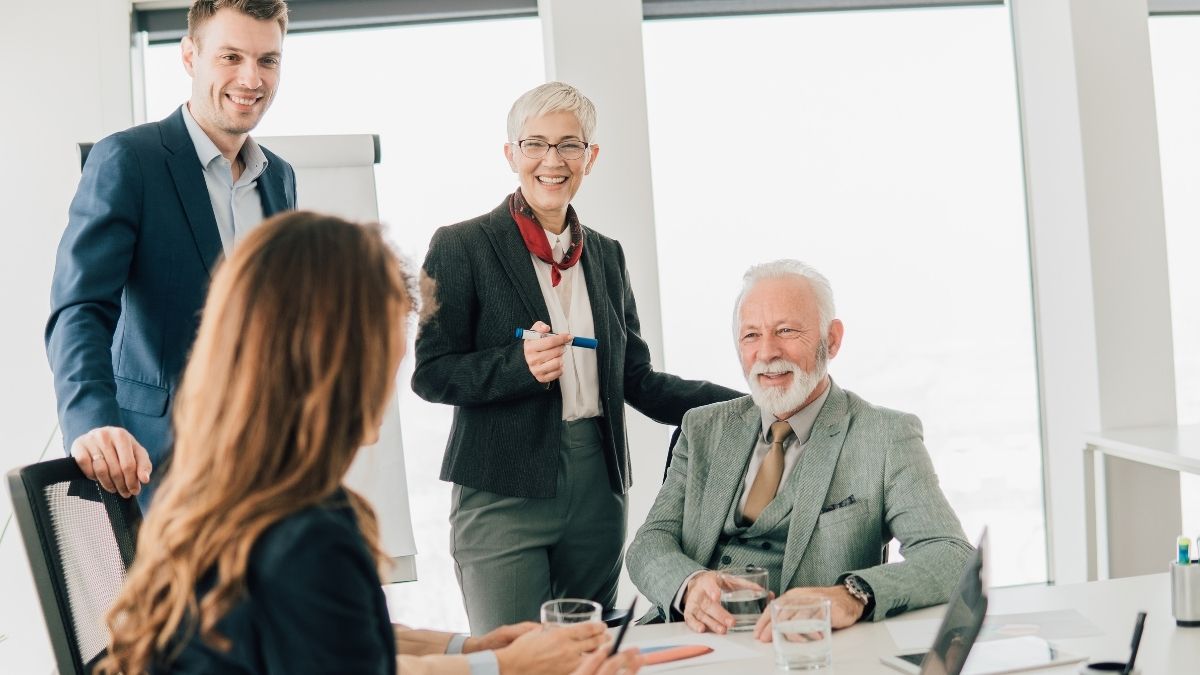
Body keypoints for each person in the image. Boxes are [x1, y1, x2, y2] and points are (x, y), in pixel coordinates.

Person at [95, 211, 643, 675]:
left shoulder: (221, 493)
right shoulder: (309, 536)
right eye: (388, 341)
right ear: (332, 359)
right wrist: (507, 668)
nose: (398, 365)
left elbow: (350, 635)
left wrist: (471, 649)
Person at [413, 81, 742, 633]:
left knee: (589, 656)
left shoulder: (607, 257)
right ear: (511, 154)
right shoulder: (461, 244)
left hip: (598, 485)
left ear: (590, 157)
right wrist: (516, 368)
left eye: (569, 145)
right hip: (502, 486)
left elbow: (637, 379)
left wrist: (744, 405)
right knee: (514, 661)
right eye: (536, 144)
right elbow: (431, 372)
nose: (552, 160)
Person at [625, 259, 973, 638]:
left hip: (797, 651)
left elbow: (952, 555)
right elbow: (649, 542)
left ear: (833, 339)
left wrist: (851, 595)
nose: (767, 352)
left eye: (786, 330)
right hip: (681, 641)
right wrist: (689, 583)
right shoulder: (703, 427)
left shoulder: (886, 436)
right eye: (751, 336)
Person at [46, 0, 296, 507]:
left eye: (267, 60)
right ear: (189, 57)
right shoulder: (129, 160)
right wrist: (91, 423)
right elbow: (81, 308)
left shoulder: (280, 179)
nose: (251, 78)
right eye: (231, 57)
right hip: (159, 468)